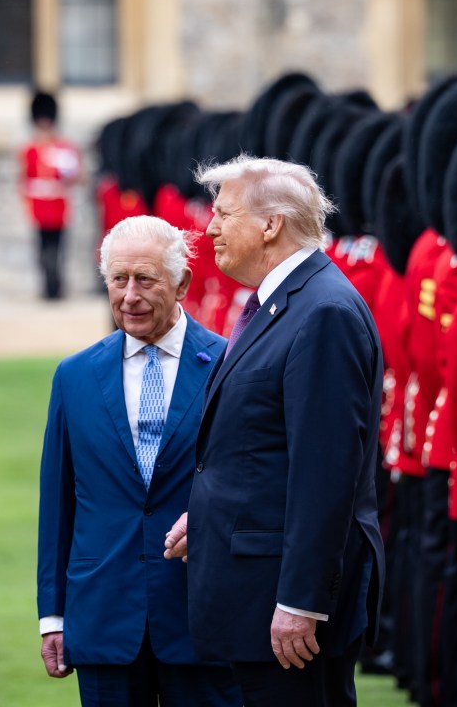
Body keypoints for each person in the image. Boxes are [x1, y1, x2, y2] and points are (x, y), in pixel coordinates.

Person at [164, 155, 385, 706]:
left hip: (286, 608)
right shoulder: (281, 304)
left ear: (270, 225)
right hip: (255, 588)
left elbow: (326, 473)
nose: (208, 227)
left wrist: (303, 601)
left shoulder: (321, 312)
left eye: (223, 214)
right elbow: (261, 447)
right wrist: (213, 518)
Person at [36, 215, 238, 707]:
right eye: (118, 280)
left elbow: (247, 484)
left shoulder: (231, 367)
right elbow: (57, 503)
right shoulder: (74, 376)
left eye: (145, 280)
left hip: (202, 617)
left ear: (182, 283)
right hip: (103, 615)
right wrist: (53, 617)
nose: (129, 296)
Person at [22, 91, 82, 300]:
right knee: (42, 249)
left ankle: (56, 287)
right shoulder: (30, 149)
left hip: (58, 204)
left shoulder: (64, 148)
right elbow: (25, 179)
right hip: (40, 204)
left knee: (58, 248)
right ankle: (47, 286)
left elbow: (76, 176)